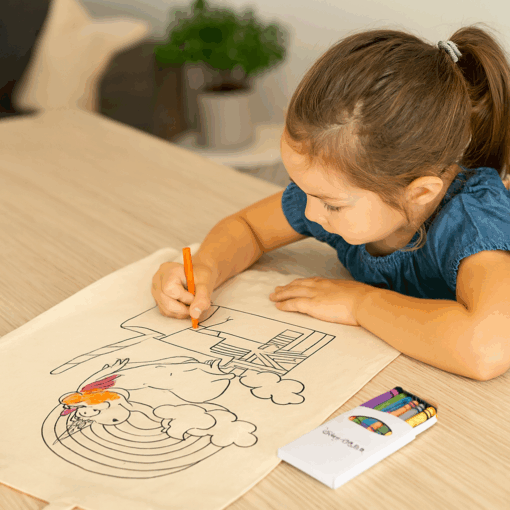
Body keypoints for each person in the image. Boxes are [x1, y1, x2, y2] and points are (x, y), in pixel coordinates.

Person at [152, 25, 510, 381]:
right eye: (301, 188)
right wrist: (207, 266)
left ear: (419, 194)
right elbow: (249, 228)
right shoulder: (339, 192)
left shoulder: (473, 221)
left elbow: (486, 350)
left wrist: (359, 303)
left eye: (332, 205)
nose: (308, 212)